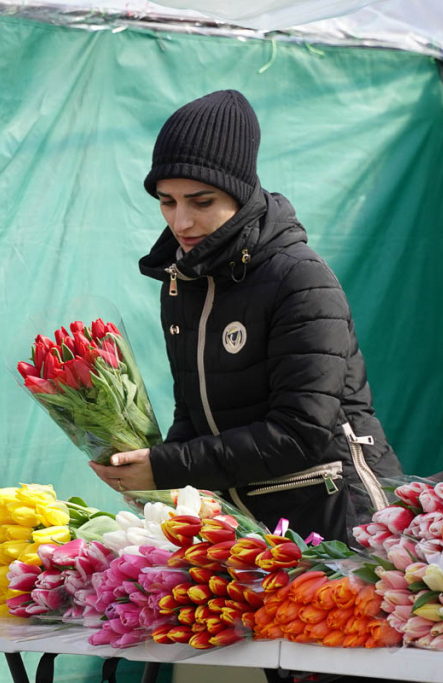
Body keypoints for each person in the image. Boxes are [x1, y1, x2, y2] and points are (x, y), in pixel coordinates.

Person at [90, 89, 402, 546]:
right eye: (167, 201)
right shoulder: (180, 283)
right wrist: (147, 469)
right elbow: (195, 414)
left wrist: (167, 466)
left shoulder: (301, 279)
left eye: (201, 202)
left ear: (239, 194)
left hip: (341, 524)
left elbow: (301, 434)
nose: (181, 222)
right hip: (250, 532)